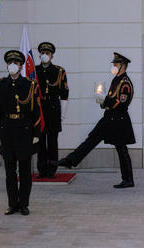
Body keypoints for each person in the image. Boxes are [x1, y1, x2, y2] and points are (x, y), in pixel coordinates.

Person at [54, 52, 136, 188]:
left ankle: (128, 179)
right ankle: (71, 161)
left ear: (123, 65)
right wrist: (102, 100)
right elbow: (110, 100)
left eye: (116, 64)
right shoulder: (116, 79)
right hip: (109, 118)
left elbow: (120, 103)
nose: (113, 66)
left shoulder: (125, 83)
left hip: (118, 120)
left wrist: (105, 99)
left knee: (121, 149)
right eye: (114, 64)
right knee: (92, 139)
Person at [0, 50, 41, 215]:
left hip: (24, 131)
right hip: (7, 131)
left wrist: (36, 133)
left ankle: (24, 203)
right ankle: (12, 204)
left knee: (24, 171)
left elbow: (36, 112)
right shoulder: (2, 85)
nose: (12, 66)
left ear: (21, 66)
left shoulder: (30, 85)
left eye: (16, 63)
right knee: (10, 171)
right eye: (10, 63)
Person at [36, 42, 69, 178]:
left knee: (53, 140)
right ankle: (42, 169)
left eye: (47, 53)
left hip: (54, 108)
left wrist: (63, 114)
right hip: (40, 108)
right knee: (41, 140)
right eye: (42, 53)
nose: (45, 55)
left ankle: (52, 169)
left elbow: (65, 94)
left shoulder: (59, 71)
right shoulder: (35, 71)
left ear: (52, 56)